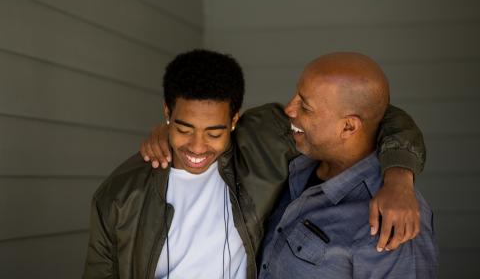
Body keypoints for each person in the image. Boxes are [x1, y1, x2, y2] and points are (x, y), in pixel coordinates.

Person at [84, 49, 426, 279]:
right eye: (184, 127)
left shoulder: (262, 141)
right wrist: (173, 133)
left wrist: (398, 176)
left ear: (234, 120)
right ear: (166, 114)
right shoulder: (119, 195)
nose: (198, 145)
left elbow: (377, 114)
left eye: (214, 131)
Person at [256, 52, 437, 278]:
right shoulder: (294, 162)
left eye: (305, 106)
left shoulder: (393, 221)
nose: (289, 109)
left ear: (349, 127)